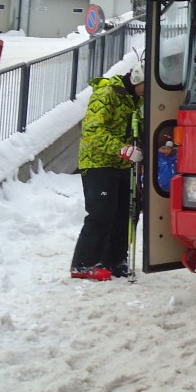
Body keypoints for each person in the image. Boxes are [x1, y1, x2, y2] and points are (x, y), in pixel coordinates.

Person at [70, 63, 145, 281]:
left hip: (122, 164)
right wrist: (121, 149)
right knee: (101, 214)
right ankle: (84, 263)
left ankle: (116, 259)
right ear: (136, 80)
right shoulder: (107, 93)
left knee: (124, 213)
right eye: (146, 85)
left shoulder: (137, 100)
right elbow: (93, 131)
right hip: (98, 162)